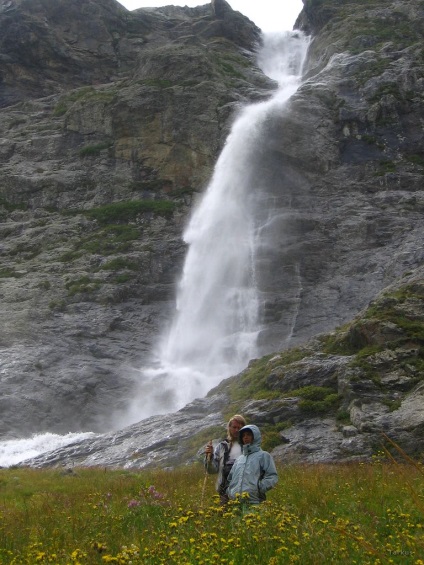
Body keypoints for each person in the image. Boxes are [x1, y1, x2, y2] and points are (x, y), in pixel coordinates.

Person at [226, 424, 278, 505]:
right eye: (243, 435)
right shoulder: (239, 459)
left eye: (248, 435)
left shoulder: (263, 455)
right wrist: (230, 492)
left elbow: (272, 476)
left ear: (255, 436)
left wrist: (258, 488)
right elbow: (230, 479)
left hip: (254, 502)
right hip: (235, 503)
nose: (245, 437)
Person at [204, 414, 246, 504]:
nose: (236, 430)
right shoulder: (221, 447)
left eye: (239, 428)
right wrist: (210, 457)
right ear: (229, 428)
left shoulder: (248, 447)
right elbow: (212, 470)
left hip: (245, 491)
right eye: (234, 427)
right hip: (224, 492)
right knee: (224, 516)